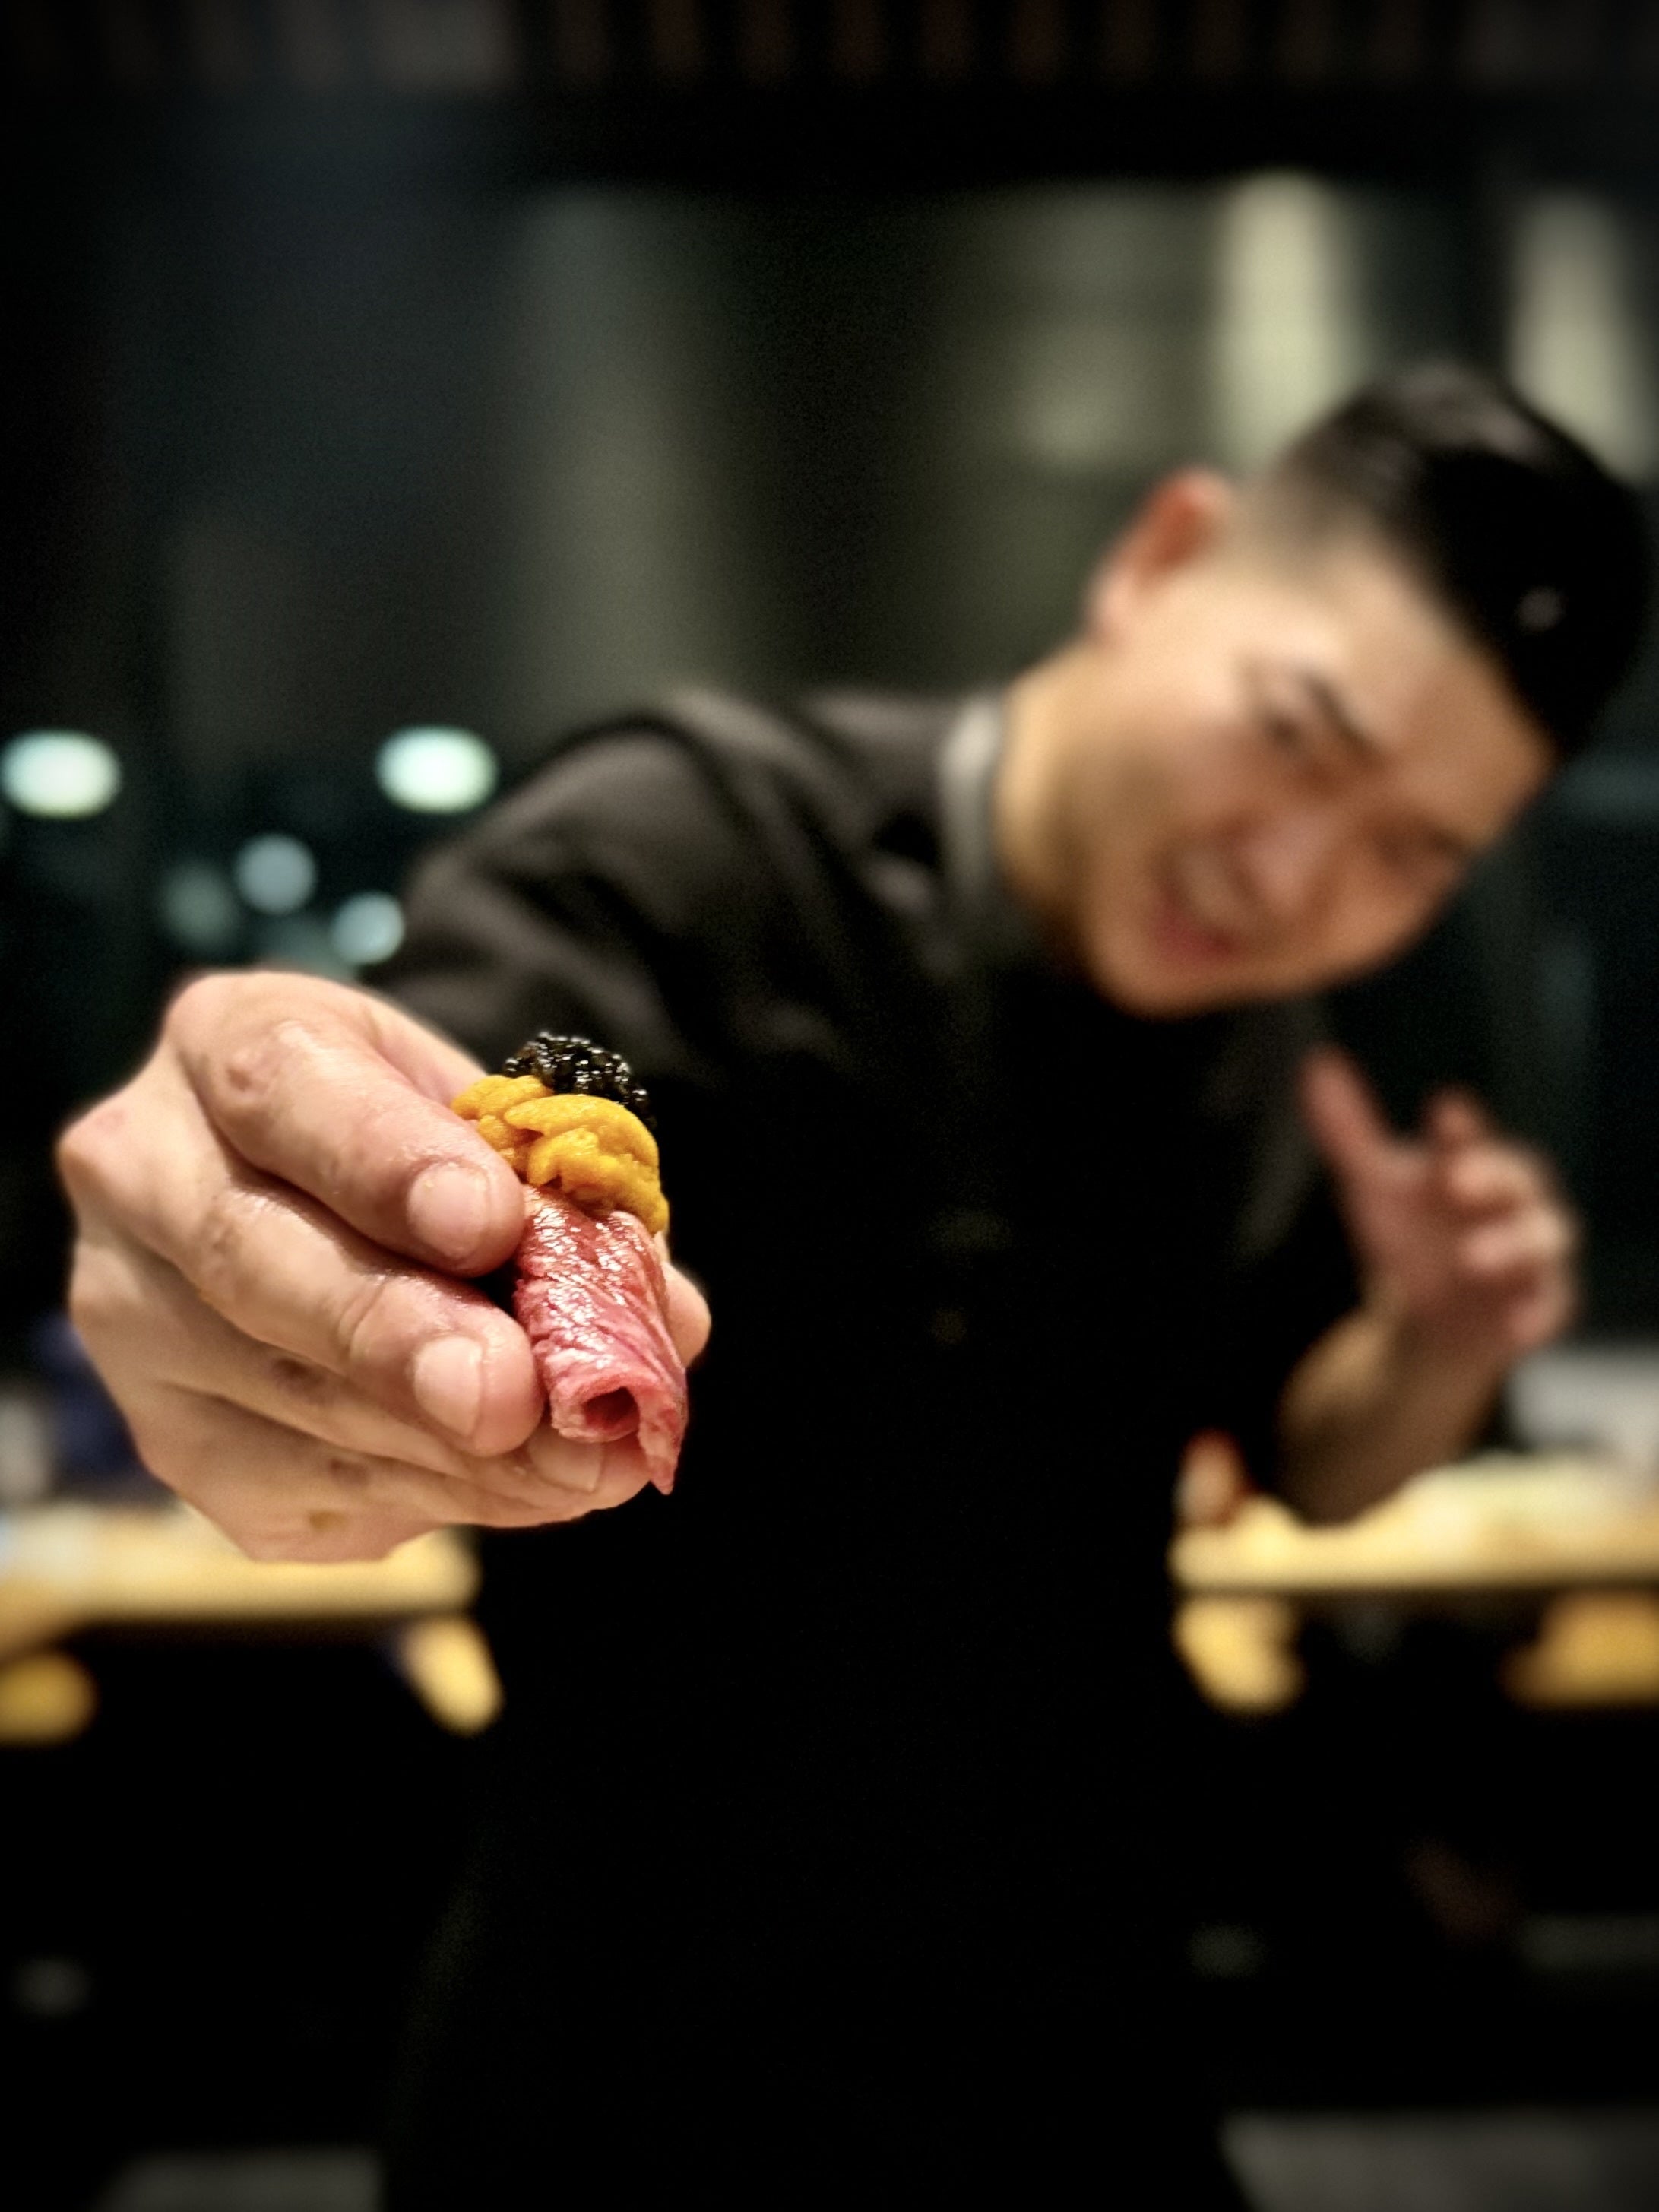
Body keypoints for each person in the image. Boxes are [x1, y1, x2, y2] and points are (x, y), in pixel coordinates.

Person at [58, 366, 1645, 2197]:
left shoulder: (1252, 1034)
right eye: (1298, 736)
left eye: (1413, 852)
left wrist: (1435, 1343)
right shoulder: (698, 856)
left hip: (1080, 2046)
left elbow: (1310, 1455)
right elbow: (560, 1066)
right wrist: (326, 1189)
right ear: (1164, 559)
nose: (1296, 879)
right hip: (637, 2054)